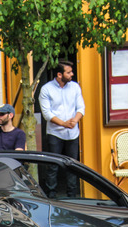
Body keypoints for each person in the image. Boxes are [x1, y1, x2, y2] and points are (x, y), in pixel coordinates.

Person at [38, 60, 85, 197]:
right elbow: (47, 114)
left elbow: (81, 107)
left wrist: (75, 121)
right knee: (53, 166)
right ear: (59, 74)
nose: (72, 74)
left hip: (73, 133)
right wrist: (64, 124)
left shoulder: (75, 87)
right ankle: (51, 196)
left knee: (72, 166)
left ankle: (73, 196)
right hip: (55, 133)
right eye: (68, 72)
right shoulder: (46, 89)